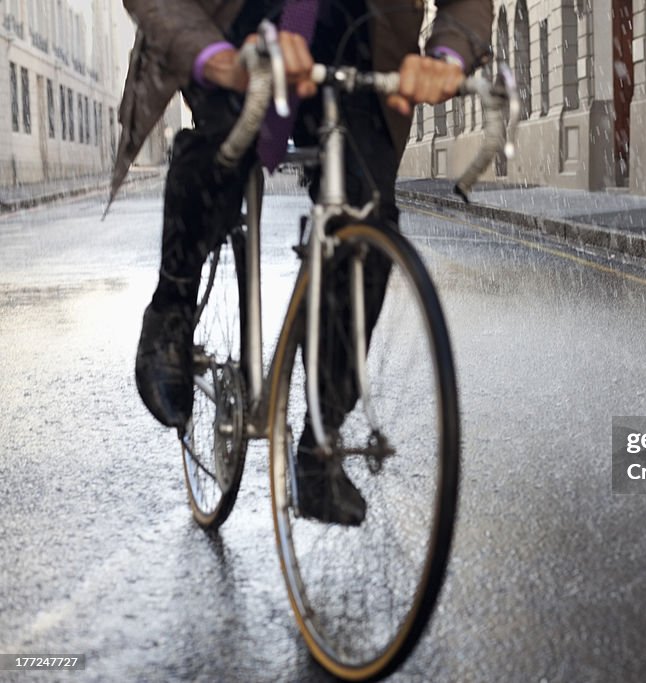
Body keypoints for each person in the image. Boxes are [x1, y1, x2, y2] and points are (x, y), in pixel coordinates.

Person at [110, 0, 493, 524]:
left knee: (366, 218)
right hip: (234, 22)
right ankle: (171, 311)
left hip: (358, 27)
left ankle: (320, 441)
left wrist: (448, 56)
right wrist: (218, 59)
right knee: (222, 145)